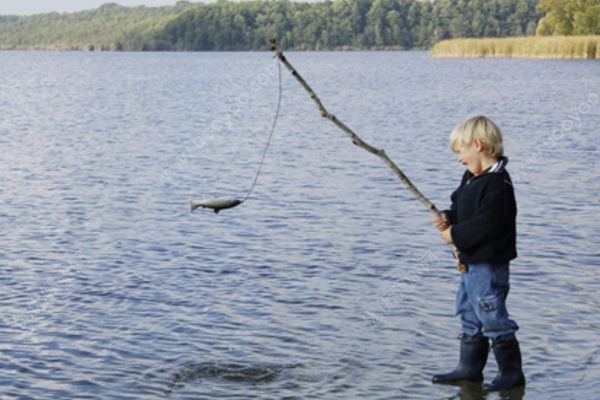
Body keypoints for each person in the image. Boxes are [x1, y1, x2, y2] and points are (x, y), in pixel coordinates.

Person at [431, 115, 525, 391]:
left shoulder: (498, 184)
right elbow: (461, 207)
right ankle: (470, 369)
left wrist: (455, 235)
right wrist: (449, 217)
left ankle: (511, 373)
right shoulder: (471, 178)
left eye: (460, 151)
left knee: (491, 314)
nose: (458, 158)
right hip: (470, 263)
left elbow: (488, 224)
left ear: (479, 145)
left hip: (489, 264)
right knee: (467, 310)